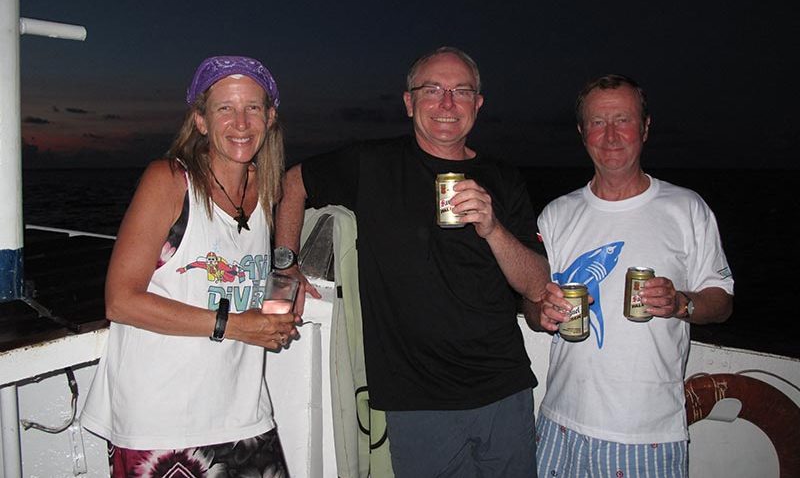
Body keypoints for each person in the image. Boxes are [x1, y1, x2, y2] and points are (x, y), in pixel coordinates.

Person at [274, 46, 551, 477]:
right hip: (417, 401)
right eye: (432, 90)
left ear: (478, 104)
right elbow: (293, 184)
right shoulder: (371, 163)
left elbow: (536, 285)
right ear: (409, 102)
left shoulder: (504, 177)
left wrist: (493, 227)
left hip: (504, 389)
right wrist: (286, 267)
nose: (447, 103)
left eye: (461, 91)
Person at [81, 56, 297, 477]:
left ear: (270, 118)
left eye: (252, 108)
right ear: (200, 120)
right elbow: (120, 301)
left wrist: (283, 286)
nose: (241, 122)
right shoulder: (169, 180)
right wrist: (235, 326)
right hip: (162, 423)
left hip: (243, 413)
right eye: (225, 108)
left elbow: (245, 266)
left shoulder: (267, 186)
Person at [524, 74, 734, 477]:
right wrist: (542, 311)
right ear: (582, 132)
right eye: (597, 122)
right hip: (559, 424)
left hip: (646, 435)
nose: (611, 135)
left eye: (623, 120)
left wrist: (681, 303)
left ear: (645, 127)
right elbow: (534, 307)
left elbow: (722, 302)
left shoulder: (687, 209)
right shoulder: (556, 214)